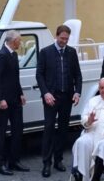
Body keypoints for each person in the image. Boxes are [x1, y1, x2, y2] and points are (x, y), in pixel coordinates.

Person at [36, 25, 83, 178]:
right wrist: (45, 93)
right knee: (49, 128)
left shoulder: (71, 52)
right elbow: (39, 75)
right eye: (62, 38)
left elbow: (78, 75)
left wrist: (77, 92)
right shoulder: (45, 52)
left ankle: (58, 160)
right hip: (51, 97)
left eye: (66, 39)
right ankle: (46, 163)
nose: (64, 41)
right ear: (56, 36)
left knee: (63, 129)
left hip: (66, 97)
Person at [0, 30, 29, 175]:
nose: (20, 43)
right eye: (19, 40)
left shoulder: (13, 55)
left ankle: (14, 161)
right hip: (3, 101)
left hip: (15, 100)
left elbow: (15, 78)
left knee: (17, 130)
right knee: (1, 132)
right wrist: (1, 99)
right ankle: (0, 165)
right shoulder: (2, 55)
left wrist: (21, 94)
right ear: (13, 41)